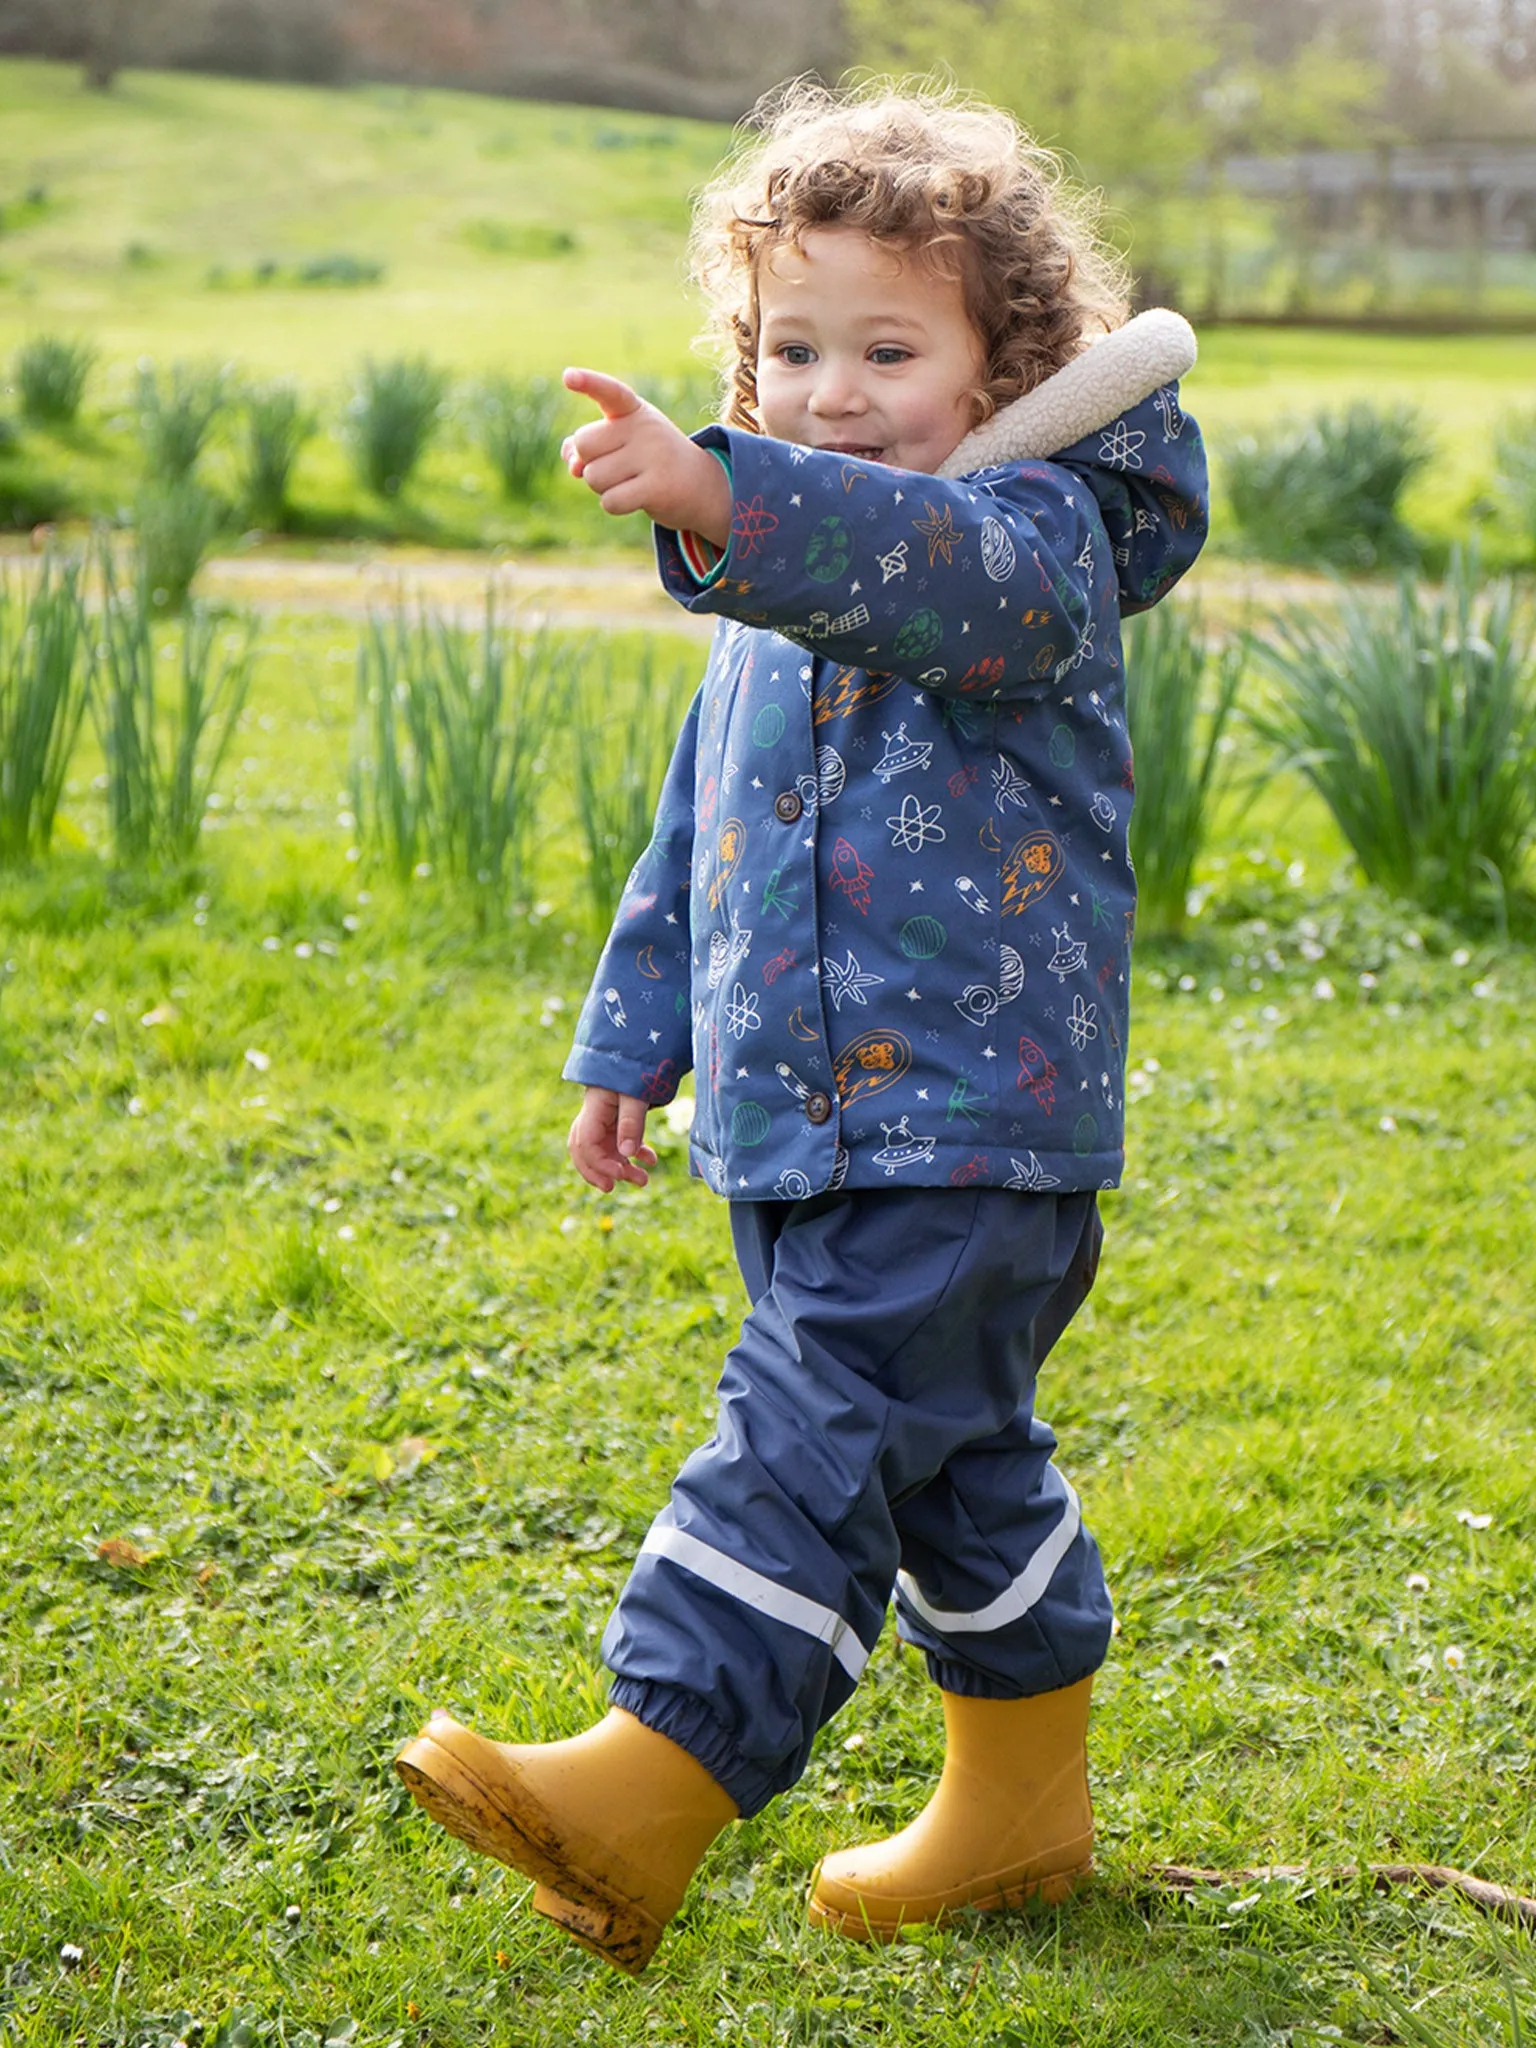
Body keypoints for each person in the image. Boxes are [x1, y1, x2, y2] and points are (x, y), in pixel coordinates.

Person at [396, 80, 1208, 1975]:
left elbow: (920, 573)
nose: (829, 390)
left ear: (1011, 358)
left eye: (886, 348)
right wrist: (632, 1037)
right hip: (796, 1120)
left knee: (817, 1429)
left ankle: (649, 1777)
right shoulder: (782, 594)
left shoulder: (1035, 544)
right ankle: (1017, 1811)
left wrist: (723, 497)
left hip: (964, 1125)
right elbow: (705, 830)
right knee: (951, 1459)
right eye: (788, 348)